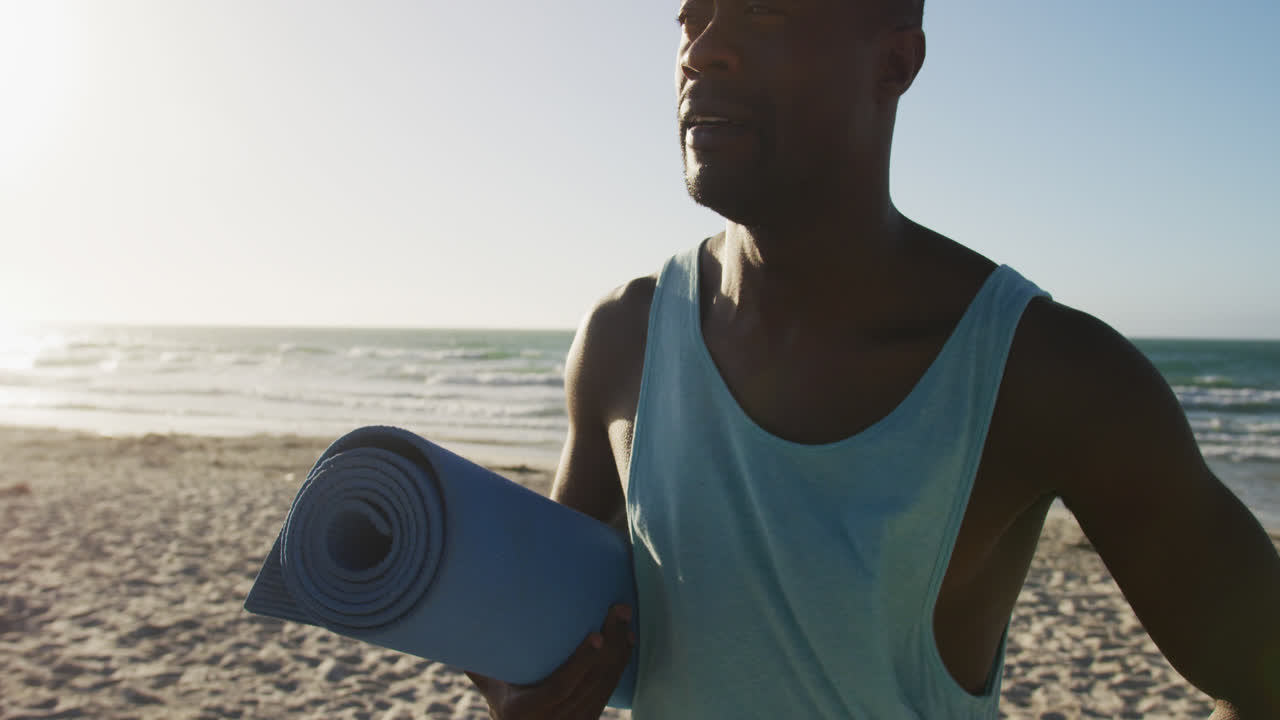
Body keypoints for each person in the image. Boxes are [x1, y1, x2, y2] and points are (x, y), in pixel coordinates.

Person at [468, 0, 1280, 717]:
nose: (701, 49)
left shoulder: (1044, 374)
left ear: (896, 61)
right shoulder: (623, 340)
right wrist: (516, 691)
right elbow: (535, 635)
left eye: (765, 11)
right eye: (690, 15)